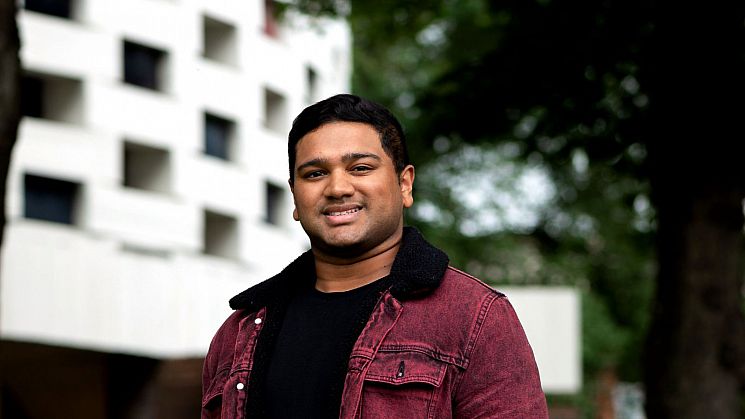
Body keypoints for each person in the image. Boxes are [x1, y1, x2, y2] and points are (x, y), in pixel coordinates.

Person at [201, 94, 548, 418]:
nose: (337, 188)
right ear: (294, 196)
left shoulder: (474, 318)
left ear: (405, 184)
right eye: (315, 174)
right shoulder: (238, 333)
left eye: (361, 168)